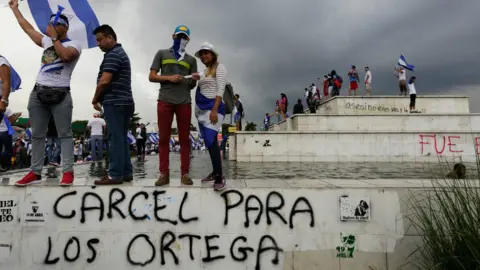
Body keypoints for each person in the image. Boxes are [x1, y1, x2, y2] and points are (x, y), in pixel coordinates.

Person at [11, 0, 82, 186]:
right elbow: (27, 28)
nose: (51, 26)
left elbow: (66, 56)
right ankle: (35, 172)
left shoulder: (75, 43)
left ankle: (68, 172)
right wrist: (15, 10)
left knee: (64, 134)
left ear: (64, 27)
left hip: (61, 95)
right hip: (38, 93)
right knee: (37, 135)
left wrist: (55, 39)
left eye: (56, 23)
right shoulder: (46, 41)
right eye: (51, 23)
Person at [149, 25, 197, 186]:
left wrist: (194, 80)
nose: (181, 39)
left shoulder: (191, 60)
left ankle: (185, 174)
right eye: (178, 36)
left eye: (184, 37)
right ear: (173, 36)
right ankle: (164, 174)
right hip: (165, 100)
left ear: (188, 40)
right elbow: (152, 76)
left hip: (184, 101)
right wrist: (169, 78)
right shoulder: (162, 53)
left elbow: (191, 85)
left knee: (184, 139)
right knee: (163, 138)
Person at [91, 25, 134, 185]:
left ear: (110, 38)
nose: (98, 43)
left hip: (115, 101)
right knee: (121, 138)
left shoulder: (113, 54)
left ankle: (115, 174)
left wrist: (95, 99)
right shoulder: (119, 53)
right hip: (124, 101)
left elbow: (104, 80)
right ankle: (126, 172)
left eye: (100, 39)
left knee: (115, 138)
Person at [192, 42, 227, 191]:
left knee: (211, 139)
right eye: (201, 54)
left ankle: (219, 176)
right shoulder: (205, 71)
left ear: (213, 54)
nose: (204, 56)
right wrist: (194, 77)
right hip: (202, 111)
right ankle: (215, 172)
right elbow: (197, 77)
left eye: (206, 53)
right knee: (208, 142)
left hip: (215, 109)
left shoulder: (220, 68)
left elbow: (220, 90)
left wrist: (214, 110)